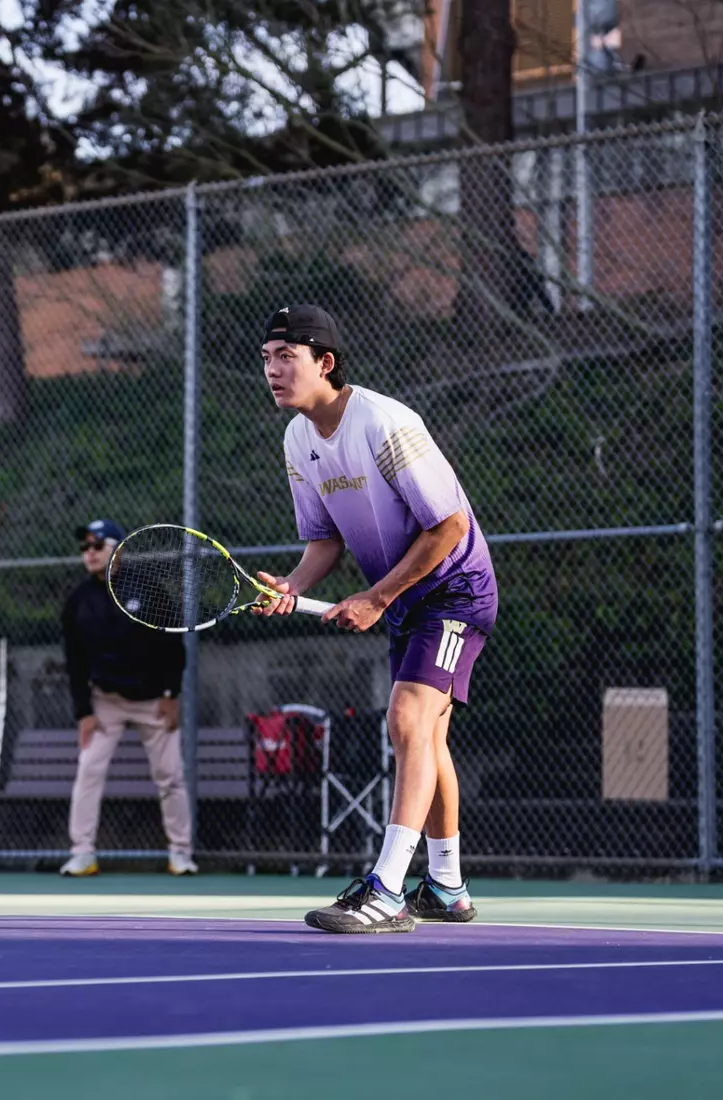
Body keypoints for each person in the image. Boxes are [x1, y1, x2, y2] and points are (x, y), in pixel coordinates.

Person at [253, 305, 497, 932]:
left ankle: (387, 889)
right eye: (267, 358)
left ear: (324, 363)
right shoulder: (297, 441)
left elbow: (449, 526)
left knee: (407, 717)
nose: (273, 370)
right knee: (426, 736)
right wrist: (293, 585)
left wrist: (376, 598)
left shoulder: (385, 422)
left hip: (454, 590)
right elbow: (325, 541)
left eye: (287, 357)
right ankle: (445, 888)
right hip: (407, 596)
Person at [59, 518, 199, 878]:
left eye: (97, 545)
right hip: (105, 701)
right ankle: (82, 853)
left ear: (117, 549)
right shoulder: (77, 602)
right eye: (84, 548)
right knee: (88, 770)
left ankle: (181, 853)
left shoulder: (149, 590)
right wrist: (84, 712)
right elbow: (74, 662)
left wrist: (171, 695)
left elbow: (173, 645)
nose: (89, 553)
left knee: (170, 776)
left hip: (154, 699)